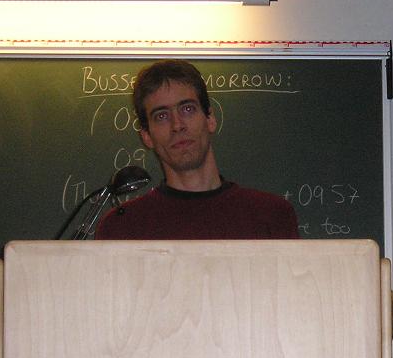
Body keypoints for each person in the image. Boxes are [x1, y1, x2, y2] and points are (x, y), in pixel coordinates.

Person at [96, 59, 299, 239]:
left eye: (187, 109)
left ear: (210, 119)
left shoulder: (272, 216)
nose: (177, 125)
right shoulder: (121, 229)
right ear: (147, 136)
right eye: (162, 116)